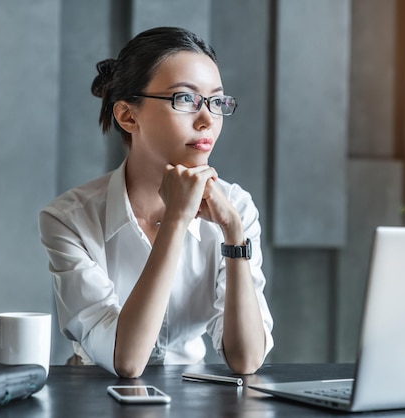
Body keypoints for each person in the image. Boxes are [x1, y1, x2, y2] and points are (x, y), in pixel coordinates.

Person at [38, 27, 274, 378]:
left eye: (216, 101)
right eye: (185, 99)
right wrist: (176, 222)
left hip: (196, 398)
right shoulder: (69, 220)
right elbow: (127, 362)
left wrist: (234, 235)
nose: (207, 119)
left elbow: (247, 359)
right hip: (91, 396)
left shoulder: (235, 207)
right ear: (127, 116)